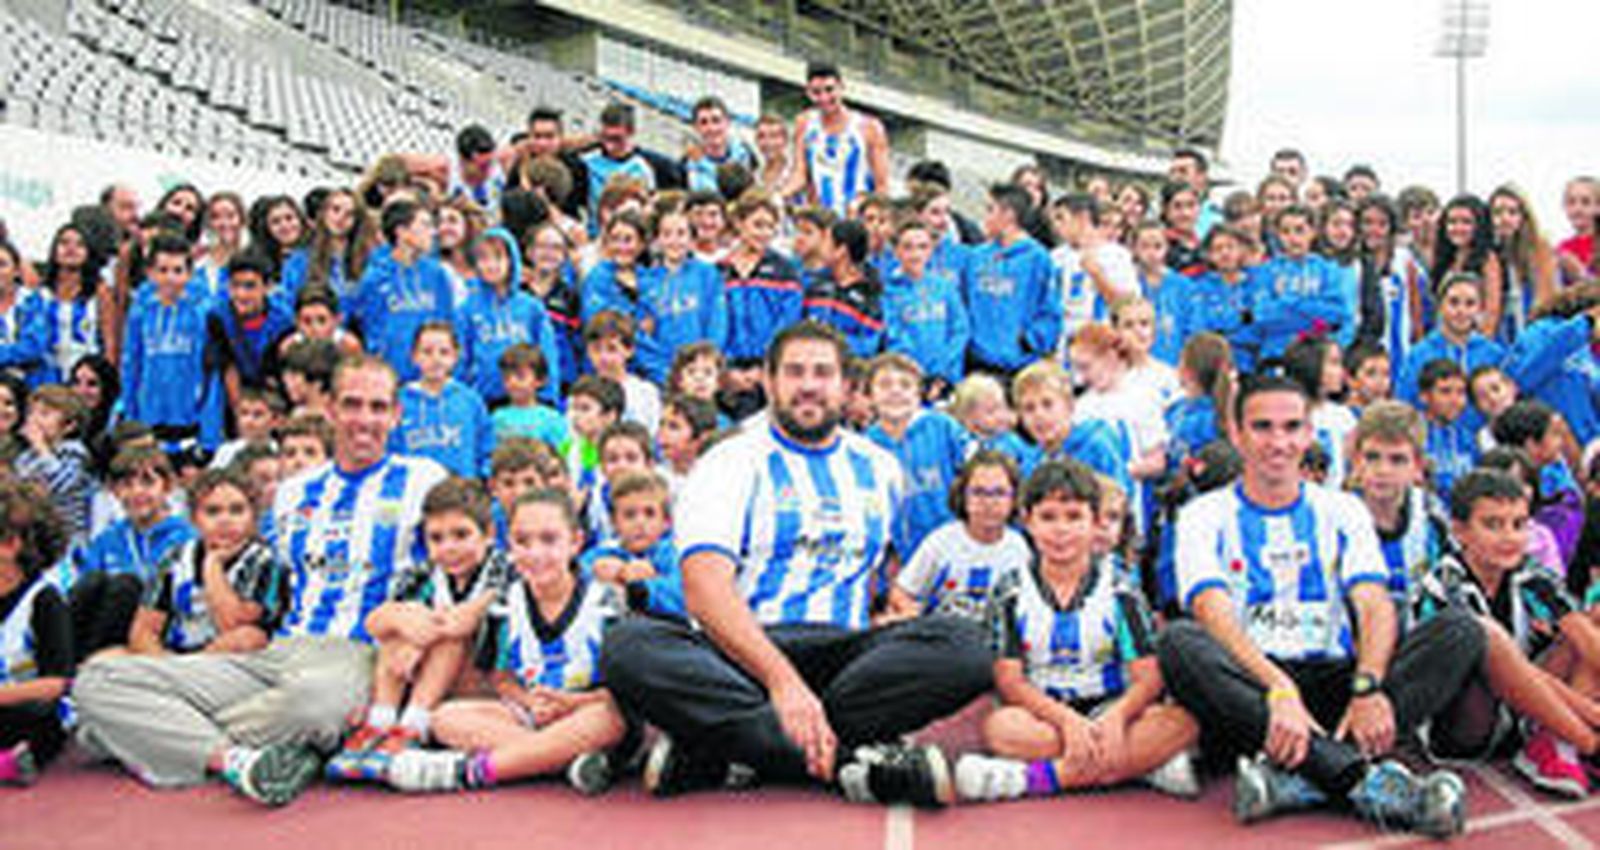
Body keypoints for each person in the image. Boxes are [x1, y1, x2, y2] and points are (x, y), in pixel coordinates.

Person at [599, 321, 993, 807]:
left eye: (823, 373)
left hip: (844, 657)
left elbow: (884, 583)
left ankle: (728, 749)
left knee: (969, 644)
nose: (809, 384)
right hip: (743, 654)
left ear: (847, 387)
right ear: (768, 380)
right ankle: (852, 762)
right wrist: (782, 683)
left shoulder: (880, 468)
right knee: (627, 645)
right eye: (795, 372)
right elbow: (704, 591)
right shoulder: (730, 461)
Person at [72, 355, 448, 806]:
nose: (364, 420)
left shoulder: (424, 479)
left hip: (355, 658)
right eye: (352, 405)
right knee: (96, 680)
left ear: (396, 414)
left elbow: (448, 573)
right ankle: (237, 759)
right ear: (329, 409)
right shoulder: (293, 493)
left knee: (316, 705)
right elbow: (271, 586)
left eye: (377, 407)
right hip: (277, 653)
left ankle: (152, 736)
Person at [1156, 374, 1482, 839]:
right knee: (1179, 643)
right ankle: (1369, 783)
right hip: (1254, 691)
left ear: (1310, 432)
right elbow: (1212, 612)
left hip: (1336, 685)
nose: (1278, 442)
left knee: (1458, 630)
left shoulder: (1342, 509)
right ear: (1236, 432)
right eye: (1263, 427)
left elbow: (1373, 604)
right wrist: (1278, 687)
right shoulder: (1204, 515)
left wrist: (1368, 686)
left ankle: (1301, 779)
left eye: (1291, 427)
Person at [953, 459, 1201, 802]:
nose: (1061, 530)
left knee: (1182, 722)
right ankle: (1139, 765)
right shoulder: (1010, 591)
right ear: (1027, 521)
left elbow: (1147, 678)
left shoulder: (1120, 589)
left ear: (1094, 522)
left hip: (1112, 710)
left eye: (1073, 517)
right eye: (1048, 517)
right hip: (1045, 716)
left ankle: (1033, 778)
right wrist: (1069, 723)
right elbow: (1010, 681)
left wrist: (1115, 719)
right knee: (1000, 728)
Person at [384, 488, 631, 794]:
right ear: (508, 545)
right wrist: (528, 701)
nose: (535, 553)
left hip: (585, 712)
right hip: (529, 715)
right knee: (444, 718)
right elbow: (500, 678)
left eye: (549, 540)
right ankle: (566, 760)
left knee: (610, 719)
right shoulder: (503, 605)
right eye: (522, 542)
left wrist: (573, 702)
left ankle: (474, 770)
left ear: (576, 542)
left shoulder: (606, 602)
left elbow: (624, 688)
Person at [327, 477, 511, 783]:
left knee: (444, 629)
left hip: (480, 682)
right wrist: (405, 625)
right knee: (401, 620)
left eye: (461, 535)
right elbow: (375, 621)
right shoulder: (423, 572)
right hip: (421, 674)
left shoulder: (503, 569)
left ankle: (413, 726)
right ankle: (381, 723)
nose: (449, 548)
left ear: (489, 534)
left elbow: (463, 620)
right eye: (436, 539)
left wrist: (418, 637)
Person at [123, 468, 286, 657]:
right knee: (106, 658)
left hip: (231, 661)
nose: (225, 520)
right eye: (213, 511)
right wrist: (163, 661)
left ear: (254, 517)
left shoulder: (263, 559)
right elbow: (144, 630)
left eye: (237, 510)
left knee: (248, 637)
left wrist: (213, 565)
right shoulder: (175, 557)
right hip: (174, 659)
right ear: (194, 519)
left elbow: (233, 625)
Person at [886, 450, 1029, 622]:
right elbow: (901, 592)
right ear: (963, 495)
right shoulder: (941, 542)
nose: (989, 503)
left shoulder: (1019, 548)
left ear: (1014, 498)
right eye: (979, 492)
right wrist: (915, 615)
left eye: (999, 493)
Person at [0, 480, 74, 786]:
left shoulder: (43, 600)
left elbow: (57, 683)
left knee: (40, 717)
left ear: (10, 545)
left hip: (24, 704)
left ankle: (17, 762)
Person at [121, 233, 211, 451]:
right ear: (150, 273)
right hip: (149, 409)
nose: (170, 277)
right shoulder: (140, 312)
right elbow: (131, 361)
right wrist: (130, 408)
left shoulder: (202, 312)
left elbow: (207, 366)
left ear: (189, 274)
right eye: (163, 270)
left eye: (178, 270)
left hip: (188, 410)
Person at [459, 227, 563, 408]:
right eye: (483, 258)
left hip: (528, 399)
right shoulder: (467, 309)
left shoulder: (531, 307)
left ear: (512, 261)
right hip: (484, 399)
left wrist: (548, 396)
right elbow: (461, 357)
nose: (491, 265)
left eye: (498, 257)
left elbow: (547, 353)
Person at [352, 201, 455, 384]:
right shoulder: (376, 277)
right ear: (402, 231)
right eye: (425, 225)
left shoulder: (437, 274)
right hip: (392, 377)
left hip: (432, 375)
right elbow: (370, 328)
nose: (433, 232)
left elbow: (446, 322)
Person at [966, 184, 1062, 378]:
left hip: (1018, 365)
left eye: (990, 210)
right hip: (977, 362)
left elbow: (1051, 309)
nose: (986, 217)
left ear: (1008, 215)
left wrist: (1030, 341)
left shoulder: (1037, 258)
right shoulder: (977, 257)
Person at [783, 62, 891, 217]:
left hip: (856, 216)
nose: (824, 98)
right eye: (816, 92)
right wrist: (778, 196)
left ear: (841, 87)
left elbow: (882, 186)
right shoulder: (804, 123)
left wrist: (866, 208)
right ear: (808, 93)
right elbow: (800, 173)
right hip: (822, 217)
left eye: (829, 90)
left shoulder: (869, 127)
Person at [393, 322, 494, 479]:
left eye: (444, 352)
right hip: (413, 493)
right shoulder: (399, 401)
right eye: (427, 352)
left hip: (462, 493)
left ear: (456, 356)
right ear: (414, 356)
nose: (436, 359)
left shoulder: (470, 400)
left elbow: (486, 448)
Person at [883, 217, 969, 398]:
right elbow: (894, 335)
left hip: (947, 380)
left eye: (922, 247)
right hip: (908, 380)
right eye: (908, 247)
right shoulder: (887, 291)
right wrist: (918, 373)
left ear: (931, 250)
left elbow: (960, 330)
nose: (916, 254)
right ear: (896, 251)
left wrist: (940, 371)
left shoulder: (944, 287)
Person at [1051, 194, 1139, 347]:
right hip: (1061, 343)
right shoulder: (1056, 257)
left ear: (1082, 218)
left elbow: (1127, 306)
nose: (1056, 225)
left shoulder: (1116, 256)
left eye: (1061, 218)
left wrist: (1097, 275)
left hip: (1099, 344)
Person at [682, 97, 758, 195]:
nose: (711, 128)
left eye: (716, 120)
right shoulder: (687, 164)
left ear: (727, 122)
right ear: (696, 127)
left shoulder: (745, 154)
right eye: (704, 122)